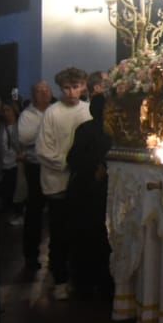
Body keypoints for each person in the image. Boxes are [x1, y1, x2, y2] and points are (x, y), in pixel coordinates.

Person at [37, 67, 93, 299]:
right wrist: (68, 163)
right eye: (67, 88)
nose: (72, 92)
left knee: (79, 232)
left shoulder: (88, 111)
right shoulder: (52, 112)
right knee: (58, 233)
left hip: (81, 183)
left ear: (83, 86)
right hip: (58, 181)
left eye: (76, 87)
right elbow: (43, 149)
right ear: (61, 89)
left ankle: (78, 278)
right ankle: (59, 278)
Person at [66, 94, 114, 301]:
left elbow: (74, 159)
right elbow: (75, 159)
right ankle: (95, 284)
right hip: (90, 192)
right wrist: (97, 170)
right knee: (94, 238)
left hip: (93, 192)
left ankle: (91, 283)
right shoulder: (94, 130)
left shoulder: (92, 129)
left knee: (94, 239)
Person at [17, 81, 52, 273]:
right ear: (33, 94)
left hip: (54, 166)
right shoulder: (27, 115)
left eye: (46, 90)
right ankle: (31, 255)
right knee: (34, 211)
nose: (44, 94)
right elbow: (24, 137)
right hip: (36, 167)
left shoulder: (56, 110)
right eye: (39, 91)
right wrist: (47, 130)